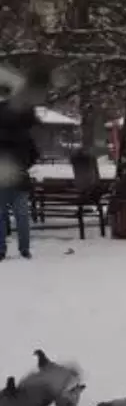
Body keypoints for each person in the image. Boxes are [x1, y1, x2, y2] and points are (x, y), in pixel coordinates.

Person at [0, 68, 49, 261]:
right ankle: (24, 248)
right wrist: (24, 166)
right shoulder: (24, 135)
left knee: (1, 216)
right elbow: (34, 154)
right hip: (20, 179)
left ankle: (1, 248)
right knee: (22, 217)